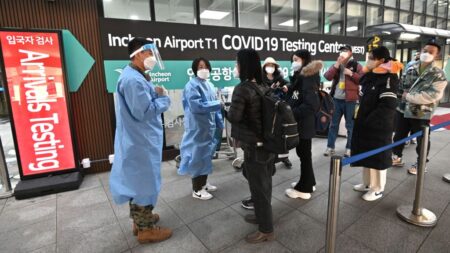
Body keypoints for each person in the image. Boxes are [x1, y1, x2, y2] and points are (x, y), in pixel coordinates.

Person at [109, 37, 172, 243]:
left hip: (139, 139)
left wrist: (153, 92)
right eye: (149, 53)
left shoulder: (137, 76)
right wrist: (162, 98)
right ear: (137, 54)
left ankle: (139, 220)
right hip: (140, 142)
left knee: (138, 182)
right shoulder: (133, 80)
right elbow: (143, 112)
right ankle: (146, 230)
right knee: (145, 183)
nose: (152, 58)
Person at [226, 48, 276, 243]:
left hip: (253, 145)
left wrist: (226, 110)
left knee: (258, 186)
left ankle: (266, 230)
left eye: (237, 63)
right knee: (265, 183)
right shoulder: (263, 86)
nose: (235, 67)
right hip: (268, 143)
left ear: (243, 65)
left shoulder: (242, 88)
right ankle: (262, 216)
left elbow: (234, 116)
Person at [351, 46, 403, 201]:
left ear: (381, 60)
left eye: (372, 57)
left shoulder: (389, 77)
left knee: (378, 158)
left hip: (379, 126)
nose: (369, 60)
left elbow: (387, 105)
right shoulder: (370, 74)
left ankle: (377, 188)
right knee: (366, 155)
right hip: (366, 123)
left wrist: (370, 121)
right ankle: (367, 183)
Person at [392, 40, 448, 175]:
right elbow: (402, 84)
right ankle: (396, 156)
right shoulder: (411, 66)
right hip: (402, 109)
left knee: (421, 139)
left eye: (431, 52)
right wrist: (398, 97)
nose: (427, 54)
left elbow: (432, 96)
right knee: (399, 134)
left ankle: (421, 163)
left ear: (437, 56)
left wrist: (408, 97)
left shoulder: (438, 74)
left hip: (421, 113)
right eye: (425, 51)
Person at [178, 57, 223, 200]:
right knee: (197, 156)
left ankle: (203, 183)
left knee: (206, 155)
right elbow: (196, 106)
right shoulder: (192, 85)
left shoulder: (209, 84)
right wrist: (218, 104)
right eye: (200, 67)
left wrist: (219, 123)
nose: (203, 69)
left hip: (208, 126)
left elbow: (214, 108)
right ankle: (197, 189)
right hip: (197, 127)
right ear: (194, 70)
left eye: (205, 66)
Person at [284, 50, 321, 200]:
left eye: (297, 59)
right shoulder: (302, 77)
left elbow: (311, 104)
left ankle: (304, 189)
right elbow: (298, 95)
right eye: (293, 59)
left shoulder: (308, 77)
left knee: (304, 155)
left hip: (304, 123)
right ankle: (309, 182)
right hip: (302, 122)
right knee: (305, 155)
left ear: (304, 60)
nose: (294, 62)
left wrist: (292, 113)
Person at [323, 44, 364, 157]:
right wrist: (336, 64)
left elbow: (362, 79)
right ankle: (330, 147)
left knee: (350, 125)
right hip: (336, 99)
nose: (343, 53)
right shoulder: (337, 65)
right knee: (333, 124)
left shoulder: (356, 65)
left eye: (345, 50)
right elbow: (327, 76)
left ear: (350, 52)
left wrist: (351, 73)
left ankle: (349, 148)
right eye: (341, 51)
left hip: (350, 100)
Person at [262, 57, 292, 169]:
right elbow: (261, 92)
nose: (270, 67)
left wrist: (285, 87)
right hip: (267, 109)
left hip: (280, 108)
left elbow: (289, 84)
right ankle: (271, 158)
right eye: (268, 65)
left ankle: (285, 157)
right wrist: (270, 89)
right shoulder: (261, 78)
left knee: (282, 133)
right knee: (270, 134)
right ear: (264, 67)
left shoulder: (279, 77)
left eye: (273, 65)